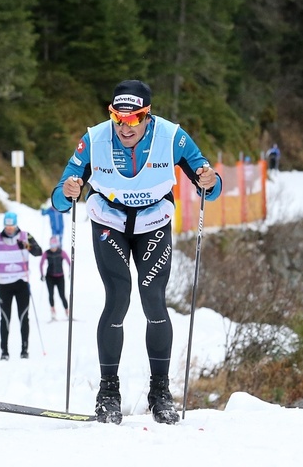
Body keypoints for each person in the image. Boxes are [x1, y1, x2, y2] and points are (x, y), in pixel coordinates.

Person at [52, 79, 221, 426]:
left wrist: (209, 180)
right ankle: (108, 393)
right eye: (119, 118)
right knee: (118, 296)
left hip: (154, 219)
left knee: (153, 299)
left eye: (134, 119)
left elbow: (211, 186)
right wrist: (67, 188)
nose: (125, 128)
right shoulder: (95, 139)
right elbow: (60, 195)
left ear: (147, 115)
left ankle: (160, 392)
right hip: (109, 219)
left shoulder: (172, 137)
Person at [0, 211, 43, 360]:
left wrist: (27, 246)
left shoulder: (26, 236)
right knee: (5, 318)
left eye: (11, 226)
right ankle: (4, 352)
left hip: (21, 282)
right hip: (4, 284)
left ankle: (24, 350)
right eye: (7, 226)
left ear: (16, 225)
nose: (9, 229)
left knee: (23, 317)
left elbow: (38, 252)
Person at [38, 235, 70, 320]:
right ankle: (53, 312)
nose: (53, 248)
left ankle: (67, 312)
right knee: (51, 295)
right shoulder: (47, 253)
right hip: (50, 277)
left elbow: (69, 262)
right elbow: (41, 263)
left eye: (54, 245)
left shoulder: (61, 252)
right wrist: (42, 274)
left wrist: (70, 272)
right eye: (51, 245)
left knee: (62, 295)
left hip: (60, 277)